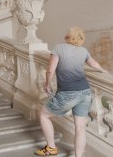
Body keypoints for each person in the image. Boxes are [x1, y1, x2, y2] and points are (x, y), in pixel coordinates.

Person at [35, 26, 107, 157]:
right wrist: (102, 70)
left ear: (68, 36)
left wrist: (47, 84)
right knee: (80, 127)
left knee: (44, 115)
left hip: (68, 93)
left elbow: (50, 70)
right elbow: (93, 63)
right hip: (85, 92)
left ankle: (51, 148)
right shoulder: (83, 51)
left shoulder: (59, 48)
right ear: (81, 38)